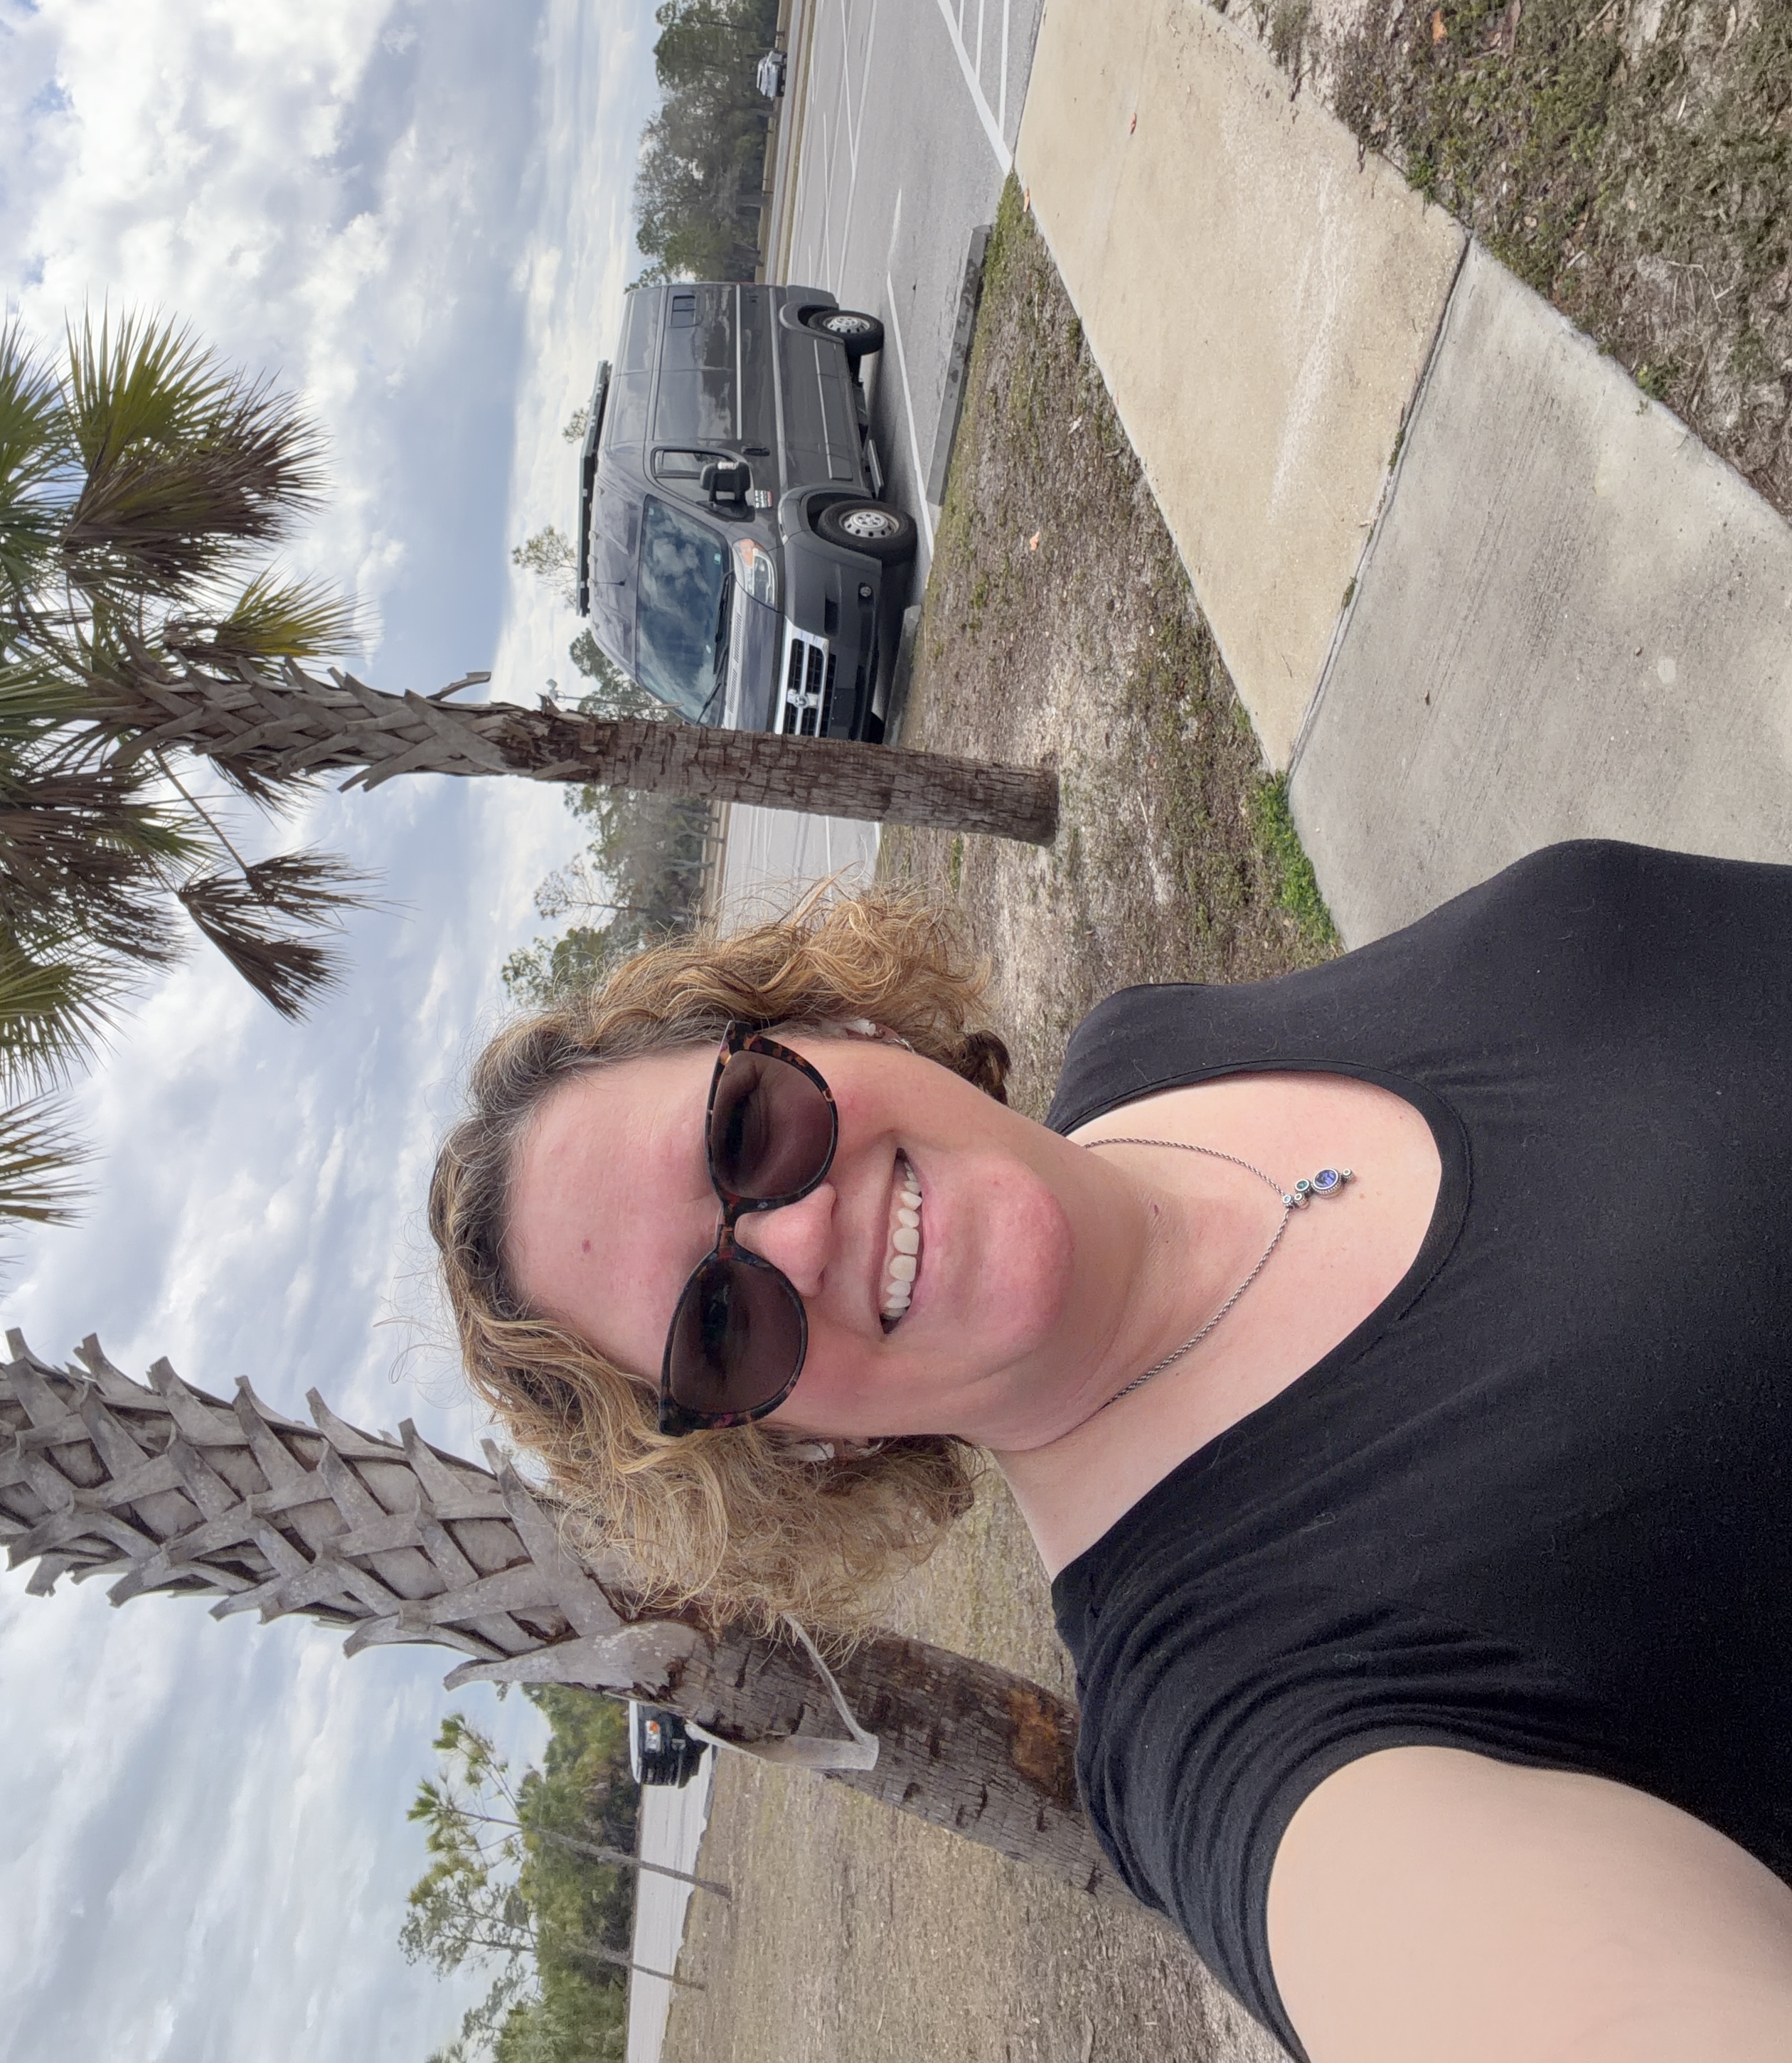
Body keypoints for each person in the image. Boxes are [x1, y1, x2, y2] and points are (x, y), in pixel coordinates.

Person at [430, 844, 1792, 2062]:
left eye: (744, 1131)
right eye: (720, 1325)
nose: (797, 1234)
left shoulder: (1151, 1053)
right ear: (794, 1446)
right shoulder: (1222, 1726)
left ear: (823, 1027)